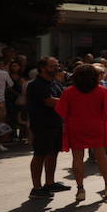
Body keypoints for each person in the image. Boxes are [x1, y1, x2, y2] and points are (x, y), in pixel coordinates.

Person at [55, 63, 107, 201]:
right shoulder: (102, 90)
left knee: (77, 158)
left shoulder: (69, 91)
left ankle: (80, 189)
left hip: (76, 126)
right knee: (101, 156)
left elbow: (61, 111)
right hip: (97, 125)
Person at [26, 57, 68, 196]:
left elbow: (61, 97)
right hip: (41, 124)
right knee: (40, 154)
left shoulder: (55, 82)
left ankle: (50, 183)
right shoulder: (36, 84)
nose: (57, 68)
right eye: (53, 66)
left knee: (53, 153)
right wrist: (69, 101)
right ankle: (36, 188)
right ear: (43, 68)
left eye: (57, 65)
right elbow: (49, 101)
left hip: (56, 123)